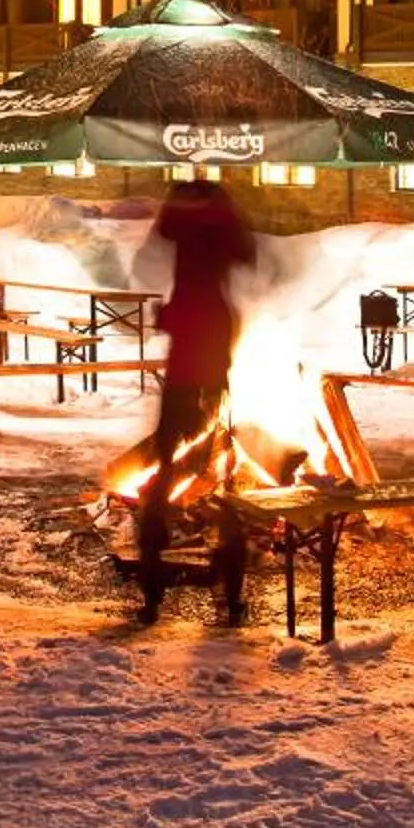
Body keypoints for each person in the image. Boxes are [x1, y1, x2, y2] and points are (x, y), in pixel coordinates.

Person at [133, 179, 258, 624]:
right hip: (211, 350)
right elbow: (248, 253)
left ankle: (152, 587)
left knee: (168, 468)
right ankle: (231, 592)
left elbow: (160, 237)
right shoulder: (220, 215)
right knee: (222, 475)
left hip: (186, 350)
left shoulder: (181, 211)